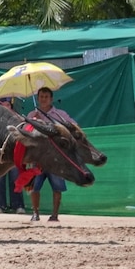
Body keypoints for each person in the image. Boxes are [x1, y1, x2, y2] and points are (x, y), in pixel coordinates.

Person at [28, 87, 79, 223]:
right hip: (38, 157)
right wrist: (34, 121)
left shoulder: (59, 114)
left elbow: (73, 125)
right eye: (41, 96)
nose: (43, 99)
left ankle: (55, 215)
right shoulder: (32, 114)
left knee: (57, 186)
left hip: (56, 157)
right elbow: (25, 132)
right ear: (38, 99)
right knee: (34, 186)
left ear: (51, 99)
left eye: (46, 96)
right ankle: (35, 212)